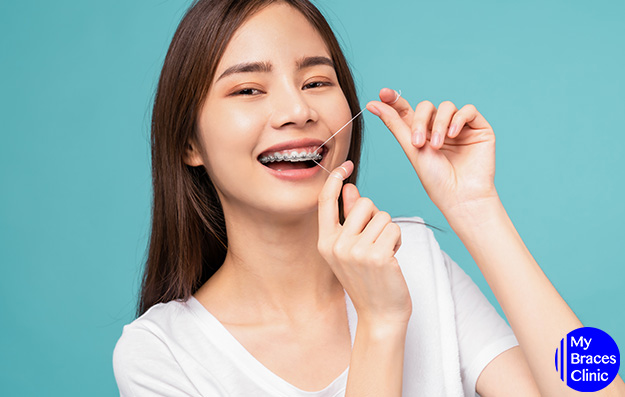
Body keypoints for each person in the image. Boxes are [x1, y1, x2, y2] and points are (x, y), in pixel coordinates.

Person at [112, 0, 624, 396]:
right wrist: (380, 326)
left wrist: (477, 210)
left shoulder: (415, 259)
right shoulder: (161, 354)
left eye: (316, 81)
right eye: (248, 89)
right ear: (189, 142)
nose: (297, 109)